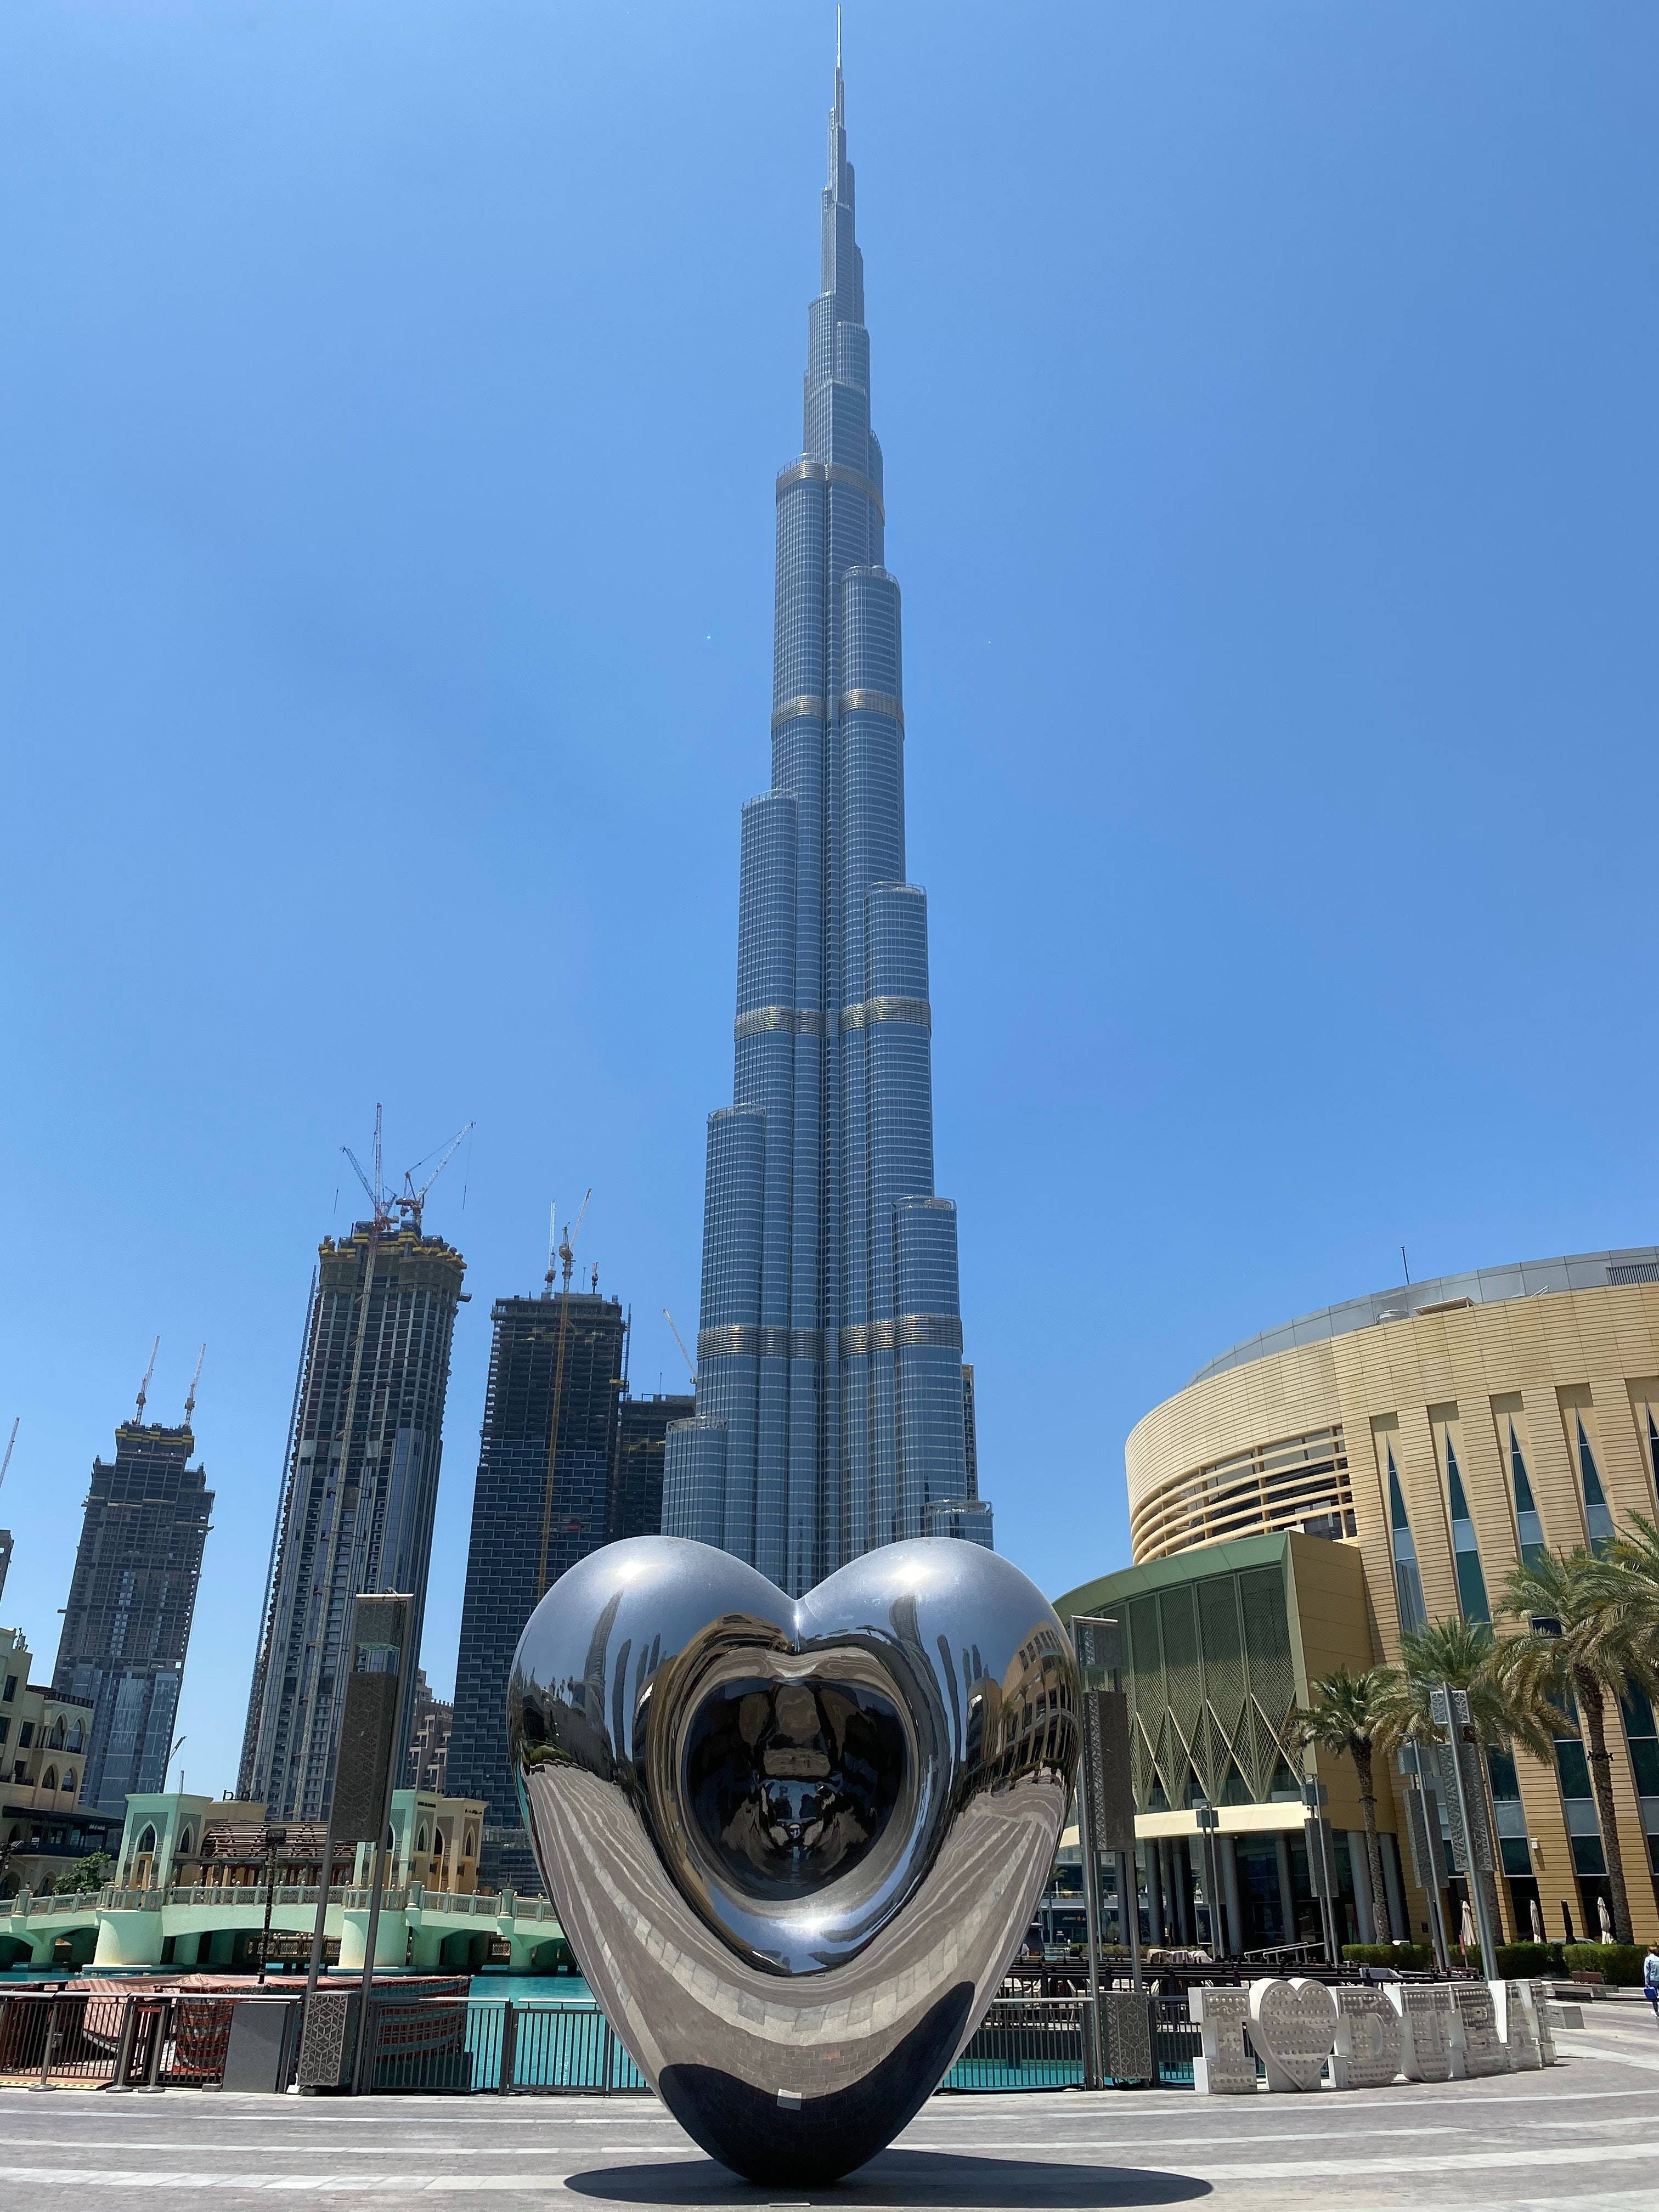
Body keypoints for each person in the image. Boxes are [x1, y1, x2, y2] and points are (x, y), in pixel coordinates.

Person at [1644, 1944, 1659, 2023]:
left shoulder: (1648, 1959)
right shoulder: (1658, 1959)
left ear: (1650, 1951)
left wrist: (1647, 1983)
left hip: (1653, 1980)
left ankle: (1657, 2012)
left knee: (1654, 1997)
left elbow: (1647, 1972)